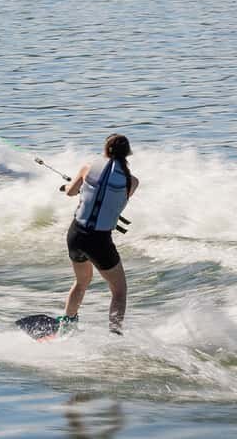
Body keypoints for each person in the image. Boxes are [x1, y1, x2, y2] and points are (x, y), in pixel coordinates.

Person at [59, 133, 139, 336]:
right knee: (119, 291)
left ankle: (67, 326)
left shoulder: (87, 168)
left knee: (81, 282)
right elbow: (114, 200)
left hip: (76, 235)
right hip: (99, 241)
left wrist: (68, 186)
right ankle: (114, 335)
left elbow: (70, 192)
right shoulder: (131, 181)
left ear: (105, 150)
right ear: (128, 153)